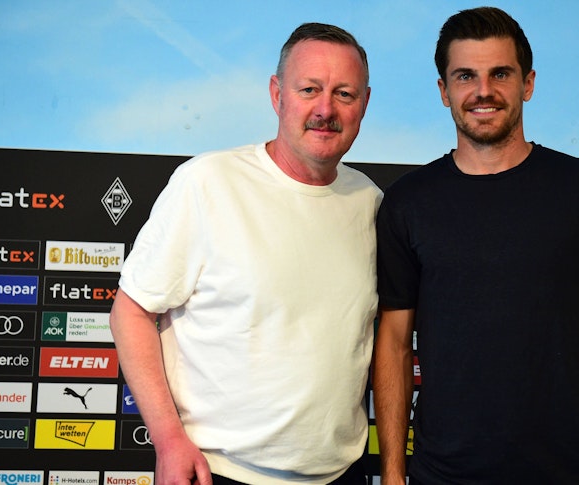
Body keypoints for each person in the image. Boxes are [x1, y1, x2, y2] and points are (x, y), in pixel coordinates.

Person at [372, 7, 579, 485]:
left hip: (571, 471)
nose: (483, 91)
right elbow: (394, 344)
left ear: (528, 83)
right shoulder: (407, 202)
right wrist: (394, 475)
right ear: (444, 91)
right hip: (445, 474)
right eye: (465, 76)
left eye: (500, 73)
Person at [109, 22, 381, 485]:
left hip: (342, 475)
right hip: (219, 473)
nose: (325, 109)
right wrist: (168, 439)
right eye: (309, 89)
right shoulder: (208, 182)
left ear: (365, 104)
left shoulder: (371, 203)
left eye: (344, 94)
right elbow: (130, 312)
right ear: (277, 94)